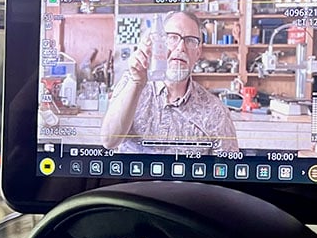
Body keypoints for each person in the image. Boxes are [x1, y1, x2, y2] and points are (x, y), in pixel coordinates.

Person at [101, 10, 240, 155]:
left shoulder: (215, 111)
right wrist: (136, 83)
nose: (181, 47)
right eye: (172, 37)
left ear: (197, 54)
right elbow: (109, 141)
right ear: (157, 44)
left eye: (190, 40)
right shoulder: (131, 83)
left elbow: (227, 170)